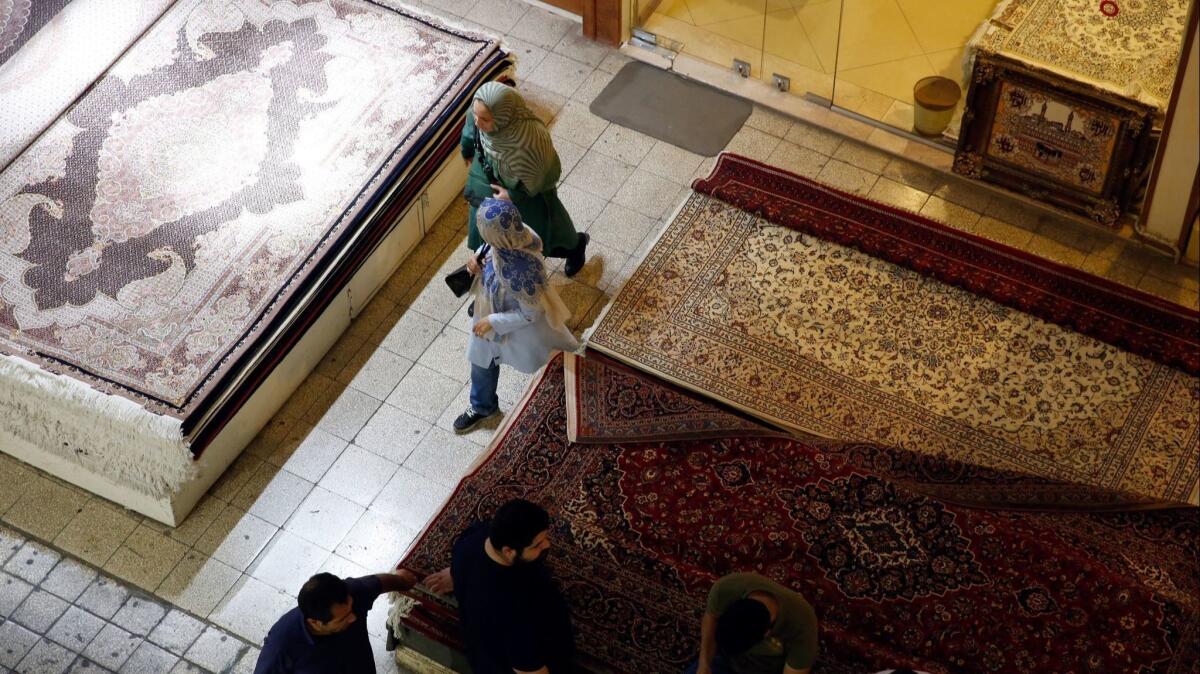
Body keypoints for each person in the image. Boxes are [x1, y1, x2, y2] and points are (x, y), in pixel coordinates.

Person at [452, 198, 579, 433]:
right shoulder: (511, 236)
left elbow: (531, 313)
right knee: (481, 361)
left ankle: (575, 385)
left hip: (518, 327)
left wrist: (492, 322)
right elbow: (490, 251)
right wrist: (475, 264)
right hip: (490, 313)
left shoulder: (520, 271)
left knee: (554, 359)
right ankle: (482, 406)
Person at [423, 499, 574, 674]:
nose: (547, 545)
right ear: (509, 551)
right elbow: (529, 670)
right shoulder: (517, 607)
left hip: (480, 648)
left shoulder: (473, 538)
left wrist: (456, 573)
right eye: (537, 545)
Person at [462, 81, 589, 277]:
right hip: (487, 190)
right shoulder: (479, 115)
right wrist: (468, 150)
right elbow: (471, 131)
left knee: (540, 233)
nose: (478, 122)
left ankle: (574, 247)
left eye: (485, 119)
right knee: (486, 235)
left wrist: (512, 195)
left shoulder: (530, 140)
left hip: (526, 199)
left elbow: (539, 178)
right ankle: (489, 279)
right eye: (476, 115)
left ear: (503, 117)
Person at [254, 570, 418, 673]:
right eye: (344, 618)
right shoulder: (281, 647)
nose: (354, 617)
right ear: (315, 622)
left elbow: (377, 583)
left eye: (351, 609)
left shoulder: (352, 595)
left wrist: (403, 581)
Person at [685, 572, 819, 674]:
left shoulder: (803, 625)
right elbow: (710, 622)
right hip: (724, 661)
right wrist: (704, 666)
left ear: (767, 633)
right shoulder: (726, 588)